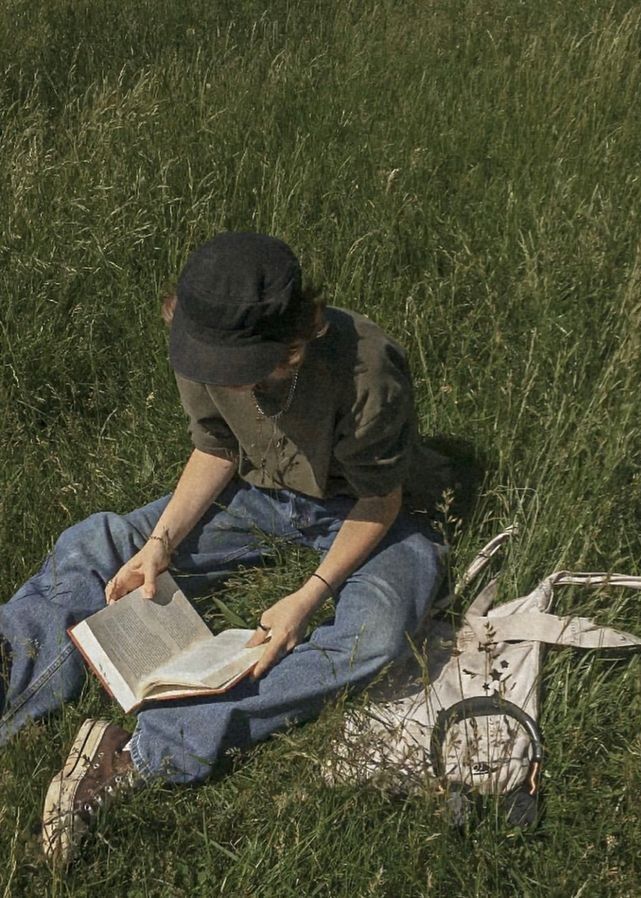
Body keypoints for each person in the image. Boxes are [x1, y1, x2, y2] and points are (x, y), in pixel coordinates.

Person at [0, 232, 448, 864]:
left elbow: (382, 502)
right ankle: (14, 669)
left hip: (376, 515)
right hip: (266, 492)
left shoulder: (367, 371)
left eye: (244, 371)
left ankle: (144, 752)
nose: (224, 381)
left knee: (375, 635)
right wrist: (159, 544)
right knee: (102, 539)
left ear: (299, 340)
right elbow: (216, 448)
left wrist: (306, 598)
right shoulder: (201, 343)